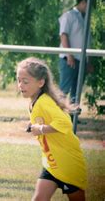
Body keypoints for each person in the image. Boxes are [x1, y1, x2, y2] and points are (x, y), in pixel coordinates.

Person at [16, 57, 87, 200]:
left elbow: (65, 123)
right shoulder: (34, 101)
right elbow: (44, 121)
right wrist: (33, 126)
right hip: (52, 163)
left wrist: (41, 129)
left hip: (67, 163)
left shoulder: (44, 102)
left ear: (41, 82)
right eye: (18, 80)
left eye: (25, 81)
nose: (20, 85)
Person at [58, 0, 87, 103]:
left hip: (81, 59)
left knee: (77, 90)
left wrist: (88, 60)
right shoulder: (69, 15)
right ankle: (57, 114)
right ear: (83, 2)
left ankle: (73, 117)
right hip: (69, 58)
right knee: (64, 89)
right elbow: (63, 35)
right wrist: (69, 54)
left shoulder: (85, 18)